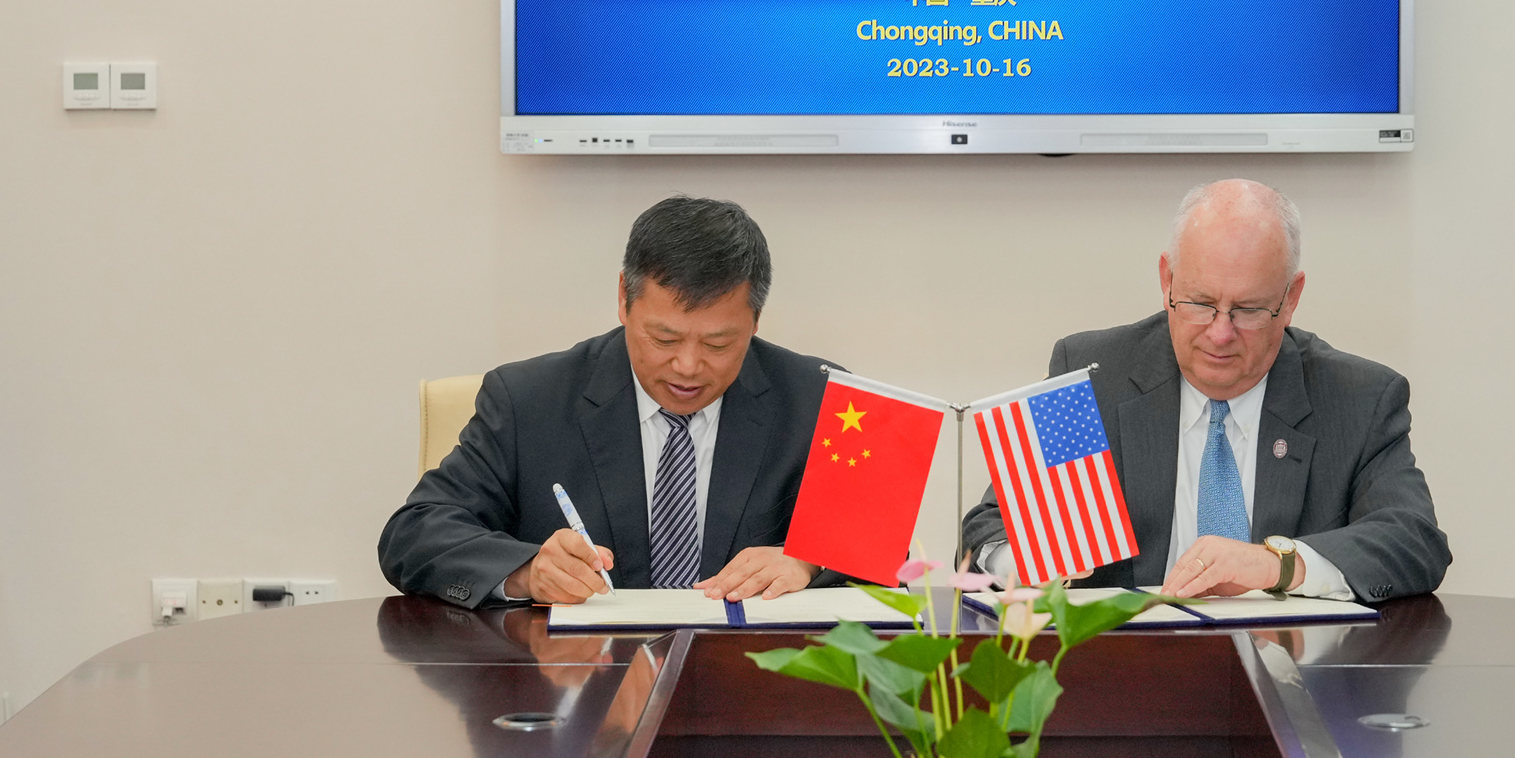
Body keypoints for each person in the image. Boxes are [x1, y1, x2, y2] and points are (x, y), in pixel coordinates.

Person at [961, 179, 1449, 602]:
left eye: (1249, 310)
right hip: (1125, 667)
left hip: (1291, 667)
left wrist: (1278, 565)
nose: (1220, 333)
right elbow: (989, 528)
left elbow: (1414, 540)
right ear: (1167, 280)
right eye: (1200, 303)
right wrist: (1024, 564)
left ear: (1291, 298)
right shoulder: (1092, 378)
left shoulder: (1357, 399)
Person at [379, 196, 841, 606]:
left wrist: (810, 560)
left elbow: (876, 542)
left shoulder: (823, 402)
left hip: (749, 668)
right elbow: (414, 534)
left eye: (718, 344)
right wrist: (527, 571)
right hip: (580, 668)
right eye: (664, 338)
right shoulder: (528, 401)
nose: (688, 366)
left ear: (756, 320)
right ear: (624, 299)